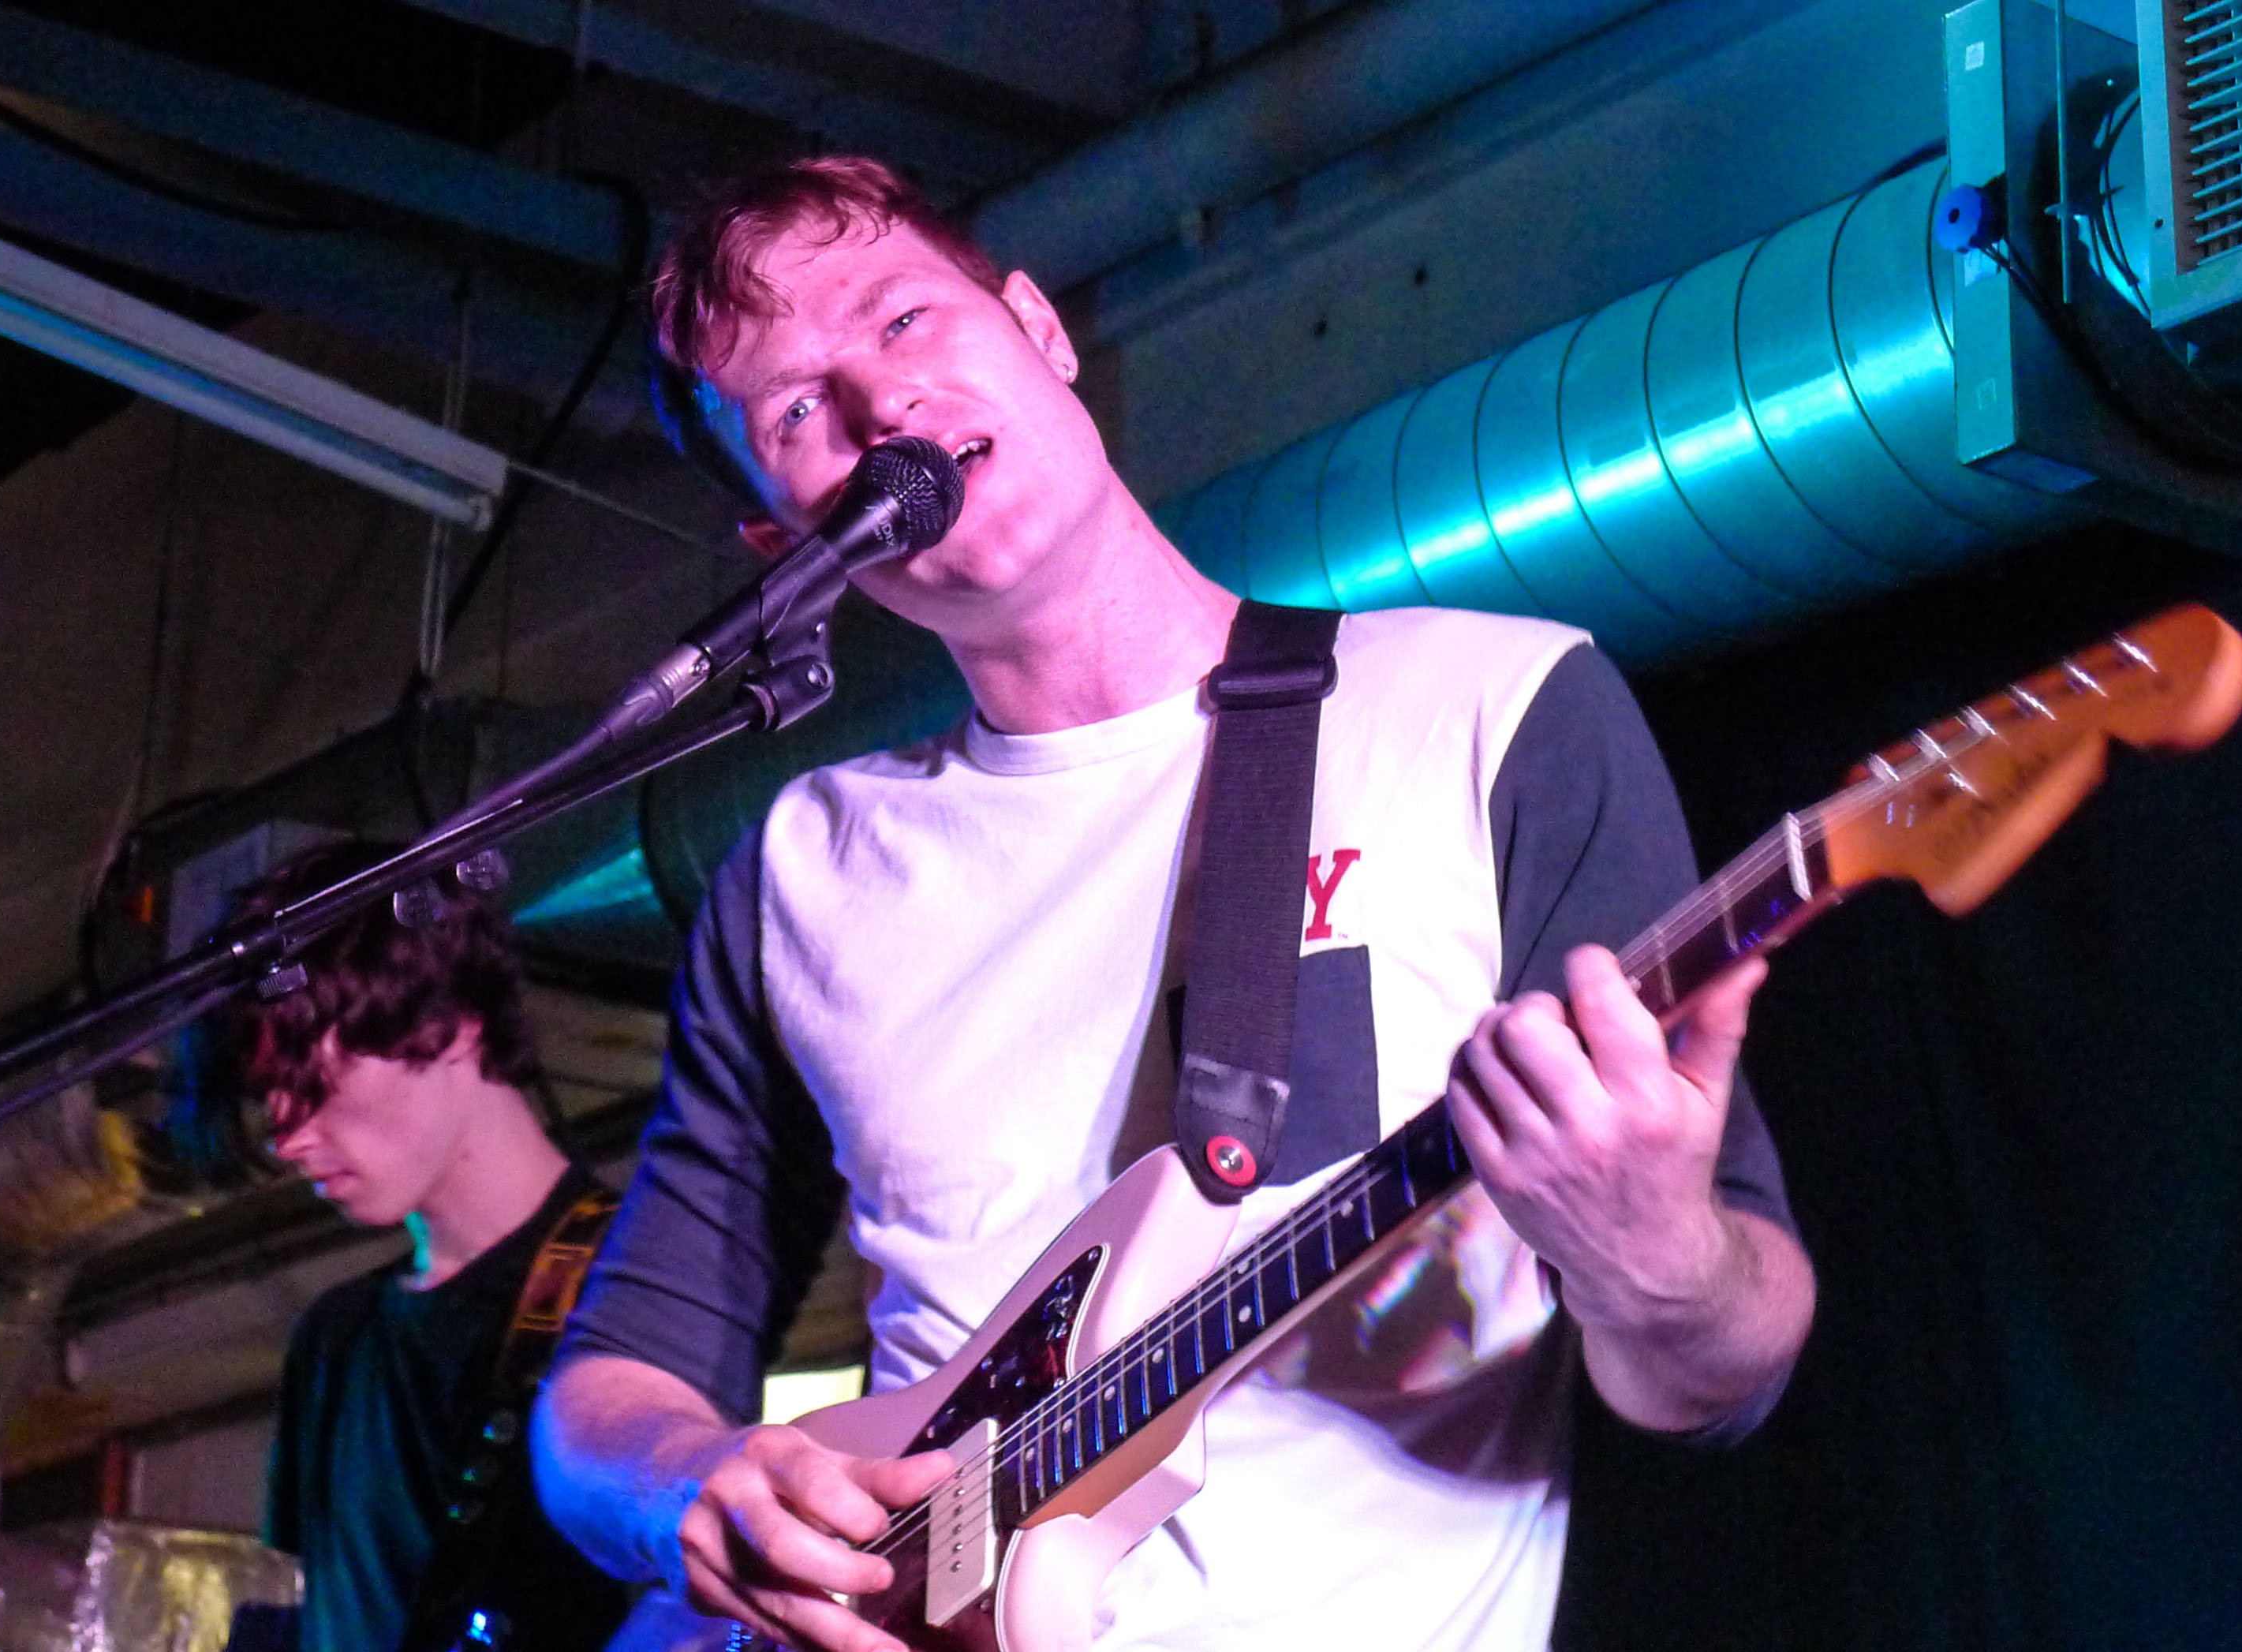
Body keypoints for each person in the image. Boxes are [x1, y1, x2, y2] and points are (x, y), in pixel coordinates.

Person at [532, 156, 1816, 1652]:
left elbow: (1723, 1365)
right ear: (783, 546)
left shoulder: (1491, 708)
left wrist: (1654, 1260)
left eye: (903, 318)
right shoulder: (800, 868)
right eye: (799, 412)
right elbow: (611, 1381)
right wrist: (685, 1485)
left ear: (1037, 328)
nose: (884, 404)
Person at [218, 842, 632, 1652]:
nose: (287, 1138)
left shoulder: (635, 1280)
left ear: (452, 1026)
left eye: (315, 1084)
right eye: (271, 1096)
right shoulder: (336, 1337)